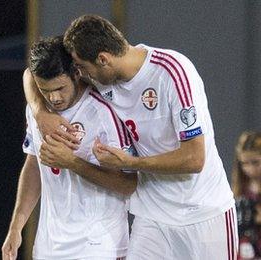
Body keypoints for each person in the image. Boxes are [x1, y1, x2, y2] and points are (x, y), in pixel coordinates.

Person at [24, 15, 237, 259]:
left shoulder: (173, 73)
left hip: (204, 214)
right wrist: (40, 112)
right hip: (152, 215)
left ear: (103, 59)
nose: (79, 74)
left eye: (81, 67)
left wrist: (130, 163)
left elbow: (194, 159)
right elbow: (31, 74)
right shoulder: (102, 77)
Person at [2, 36, 137, 260]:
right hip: (49, 247)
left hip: (99, 245)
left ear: (76, 73)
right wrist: (17, 226)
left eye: (60, 88)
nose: (54, 97)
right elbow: (34, 164)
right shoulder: (38, 111)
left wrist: (72, 163)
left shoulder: (105, 112)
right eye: (45, 90)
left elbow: (129, 185)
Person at [232, 131, 261, 259]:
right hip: (246, 249)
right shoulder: (240, 188)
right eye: (244, 163)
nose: (249, 168)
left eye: (255, 162)